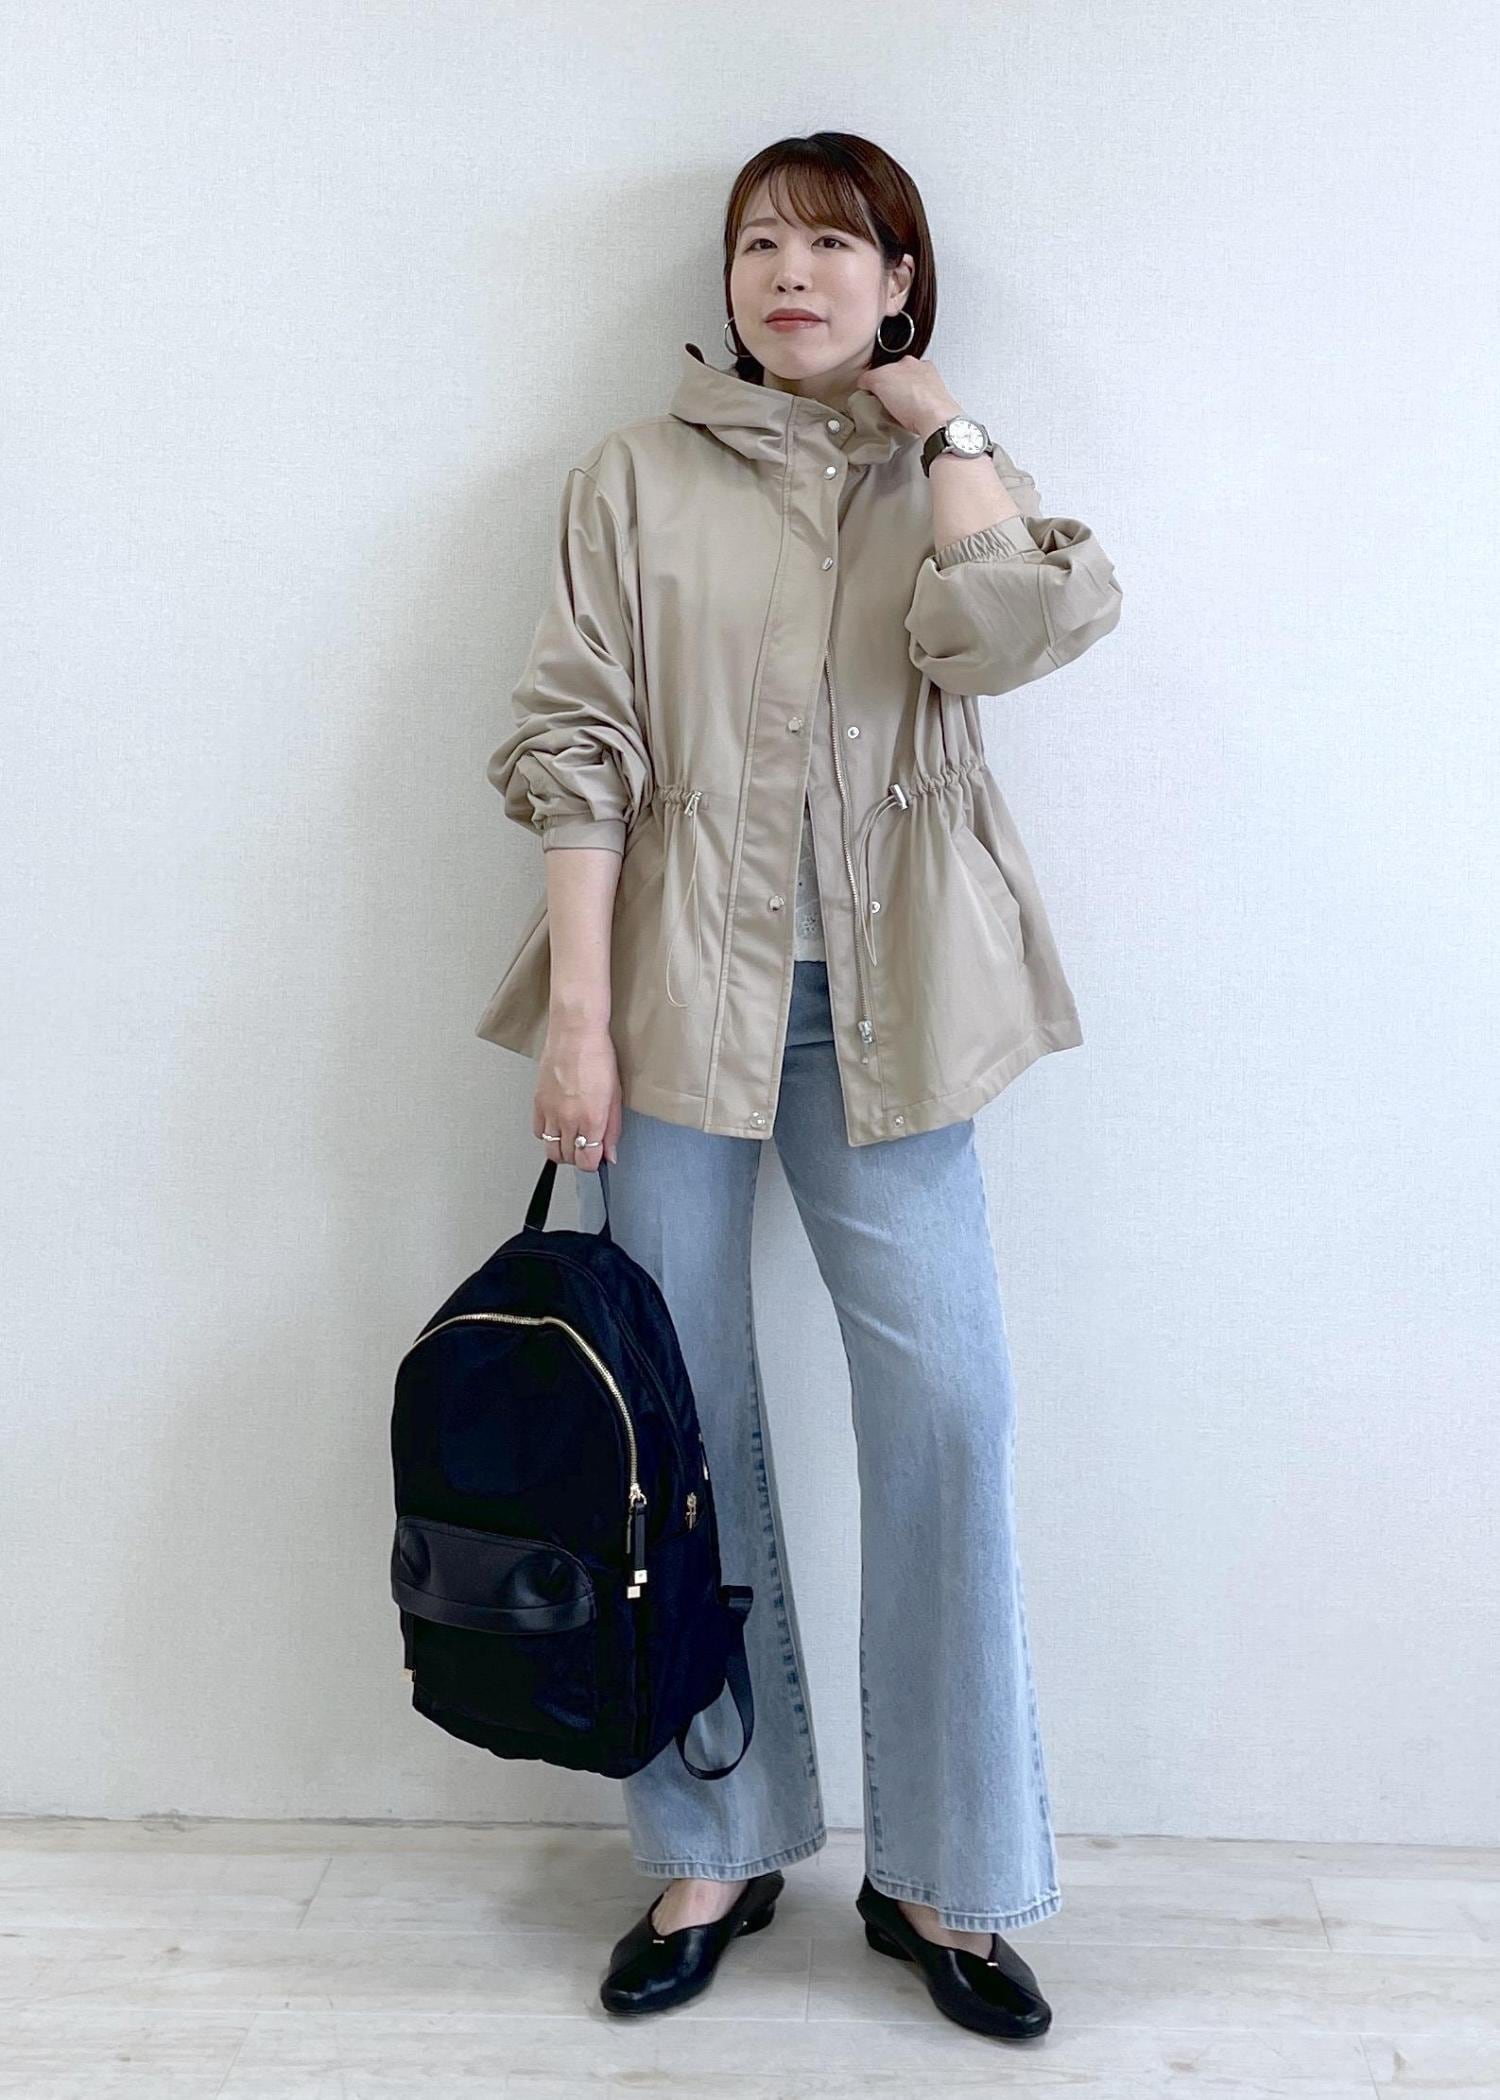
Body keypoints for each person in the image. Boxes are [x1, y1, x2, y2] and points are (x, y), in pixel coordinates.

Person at [478, 132, 1122, 2041]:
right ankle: (715, 1838)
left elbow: (1016, 635)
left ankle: (946, 1874)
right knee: (673, 1426)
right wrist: (580, 1019)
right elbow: (578, 741)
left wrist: (943, 427)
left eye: (837, 245)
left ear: (898, 281)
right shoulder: (633, 475)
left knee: (950, 1413)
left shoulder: (942, 478)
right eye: (762, 241)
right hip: (674, 998)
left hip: (894, 1008)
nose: (792, 272)